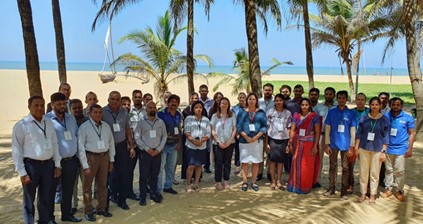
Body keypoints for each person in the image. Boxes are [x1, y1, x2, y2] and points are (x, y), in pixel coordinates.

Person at [12, 96, 61, 224]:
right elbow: (16, 150)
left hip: (48, 166)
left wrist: (57, 165)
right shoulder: (21, 125)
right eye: (36, 105)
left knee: (45, 198)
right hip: (31, 166)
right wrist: (22, 173)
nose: (40, 108)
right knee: (29, 200)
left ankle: (44, 221)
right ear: (29, 107)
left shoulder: (48, 123)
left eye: (42, 105)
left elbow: (55, 144)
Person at [45, 93, 82, 222]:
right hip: (54, 163)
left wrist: (79, 158)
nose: (62, 106)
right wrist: (56, 164)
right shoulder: (46, 120)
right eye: (59, 104)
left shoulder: (71, 119)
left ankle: (66, 215)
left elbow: (76, 138)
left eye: (64, 103)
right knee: (51, 191)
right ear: (52, 105)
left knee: (68, 191)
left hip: (71, 161)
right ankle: (50, 218)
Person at [78, 104, 115, 222]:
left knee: (102, 185)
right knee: (87, 186)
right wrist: (85, 165)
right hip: (91, 157)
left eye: (100, 112)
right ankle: (88, 211)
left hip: (104, 157)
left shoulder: (106, 126)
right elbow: (80, 148)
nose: (98, 114)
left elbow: (111, 144)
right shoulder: (84, 127)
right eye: (95, 112)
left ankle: (101, 208)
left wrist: (111, 160)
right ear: (90, 113)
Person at [102, 91, 136, 210]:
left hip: (121, 146)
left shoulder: (124, 113)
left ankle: (122, 200)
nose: (115, 102)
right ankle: (105, 202)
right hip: (107, 148)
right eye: (113, 99)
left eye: (118, 99)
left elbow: (127, 130)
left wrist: (131, 146)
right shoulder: (102, 112)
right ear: (108, 99)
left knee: (123, 174)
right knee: (106, 175)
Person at [355, 97, 390, 204]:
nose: (374, 107)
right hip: (364, 148)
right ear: (369, 105)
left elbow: (386, 137)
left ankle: (373, 194)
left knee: (375, 173)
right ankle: (363, 193)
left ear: (380, 106)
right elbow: (359, 133)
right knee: (363, 172)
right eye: (372, 104)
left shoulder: (384, 120)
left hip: (378, 149)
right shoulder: (364, 118)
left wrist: (383, 152)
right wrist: (356, 147)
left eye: (376, 104)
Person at [381, 97, 415, 202]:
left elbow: (412, 133)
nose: (395, 106)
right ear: (390, 105)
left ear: (401, 106)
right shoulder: (385, 117)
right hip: (388, 148)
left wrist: (410, 148)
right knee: (388, 170)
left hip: (401, 149)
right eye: (393, 104)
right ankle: (388, 189)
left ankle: (400, 190)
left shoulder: (407, 118)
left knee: (400, 171)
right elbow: (382, 133)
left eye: (398, 104)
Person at [323, 90, 356, 199]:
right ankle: (331, 188)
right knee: (332, 166)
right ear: (337, 99)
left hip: (346, 145)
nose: (341, 100)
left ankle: (344, 190)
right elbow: (327, 128)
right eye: (339, 98)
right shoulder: (332, 112)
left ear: (346, 99)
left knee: (345, 167)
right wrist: (327, 144)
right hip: (333, 144)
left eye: (343, 98)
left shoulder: (351, 113)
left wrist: (352, 146)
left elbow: (352, 130)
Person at [135, 101, 167, 205]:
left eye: (154, 107)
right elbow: (137, 137)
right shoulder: (141, 122)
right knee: (143, 176)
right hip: (145, 153)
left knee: (154, 175)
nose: (152, 109)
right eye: (150, 108)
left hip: (157, 152)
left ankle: (153, 194)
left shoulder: (161, 122)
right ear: (146, 109)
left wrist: (159, 149)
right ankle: (143, 196)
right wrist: (147, 149)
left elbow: (164, 136)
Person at [287, 98, 322, 194]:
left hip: (309, 144)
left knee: (307, 165)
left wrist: (315, 146)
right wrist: (290, 143)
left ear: (310, 105)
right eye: (302, 105)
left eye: (306, 105)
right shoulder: (296, 115)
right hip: (297, 143)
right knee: (295, 163)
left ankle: (305, 186)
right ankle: (294, 185)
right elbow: (293, 130)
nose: (304, 107)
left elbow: (317, 133)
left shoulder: (315, 117)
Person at [237, 93, 267, 192]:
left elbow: (264, 127)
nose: (251, 101)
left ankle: (254, 182)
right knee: (244, 162)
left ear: (256, 101)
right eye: (249, 99)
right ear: (247, 100)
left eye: (253, 99)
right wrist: (246, 137)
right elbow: (239, 126)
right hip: (244, 141)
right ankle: (245, 182)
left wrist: (255, 137)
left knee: (255, 162)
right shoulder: (241, 112)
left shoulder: (261, 112)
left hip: (257, 141)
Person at [157, 94, 183, 195]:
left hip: (174, 145)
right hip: (163, 145)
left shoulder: (178, 115)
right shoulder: (161, 114)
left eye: (176, 102)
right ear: (168, 102)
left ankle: (168, 186)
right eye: (172, 101)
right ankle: (158, 189)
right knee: (160, 168)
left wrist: (179, 142)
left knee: (171, 167)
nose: (174, 103)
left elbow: (179, 129)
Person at [184, 101, 211, 192]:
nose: (198, 109)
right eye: (196, 107)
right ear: (193, 109)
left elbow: (208, 133)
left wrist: (202, 141)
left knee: (199, 165)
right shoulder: (189, 118)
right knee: (191, 166)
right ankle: (188, 184)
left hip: (202, 146)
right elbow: (186, 132)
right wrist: (194, 141)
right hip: (191, 146)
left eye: (200, 107)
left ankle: (196, 183)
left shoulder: (206, 120)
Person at [266, 94, 291, 191]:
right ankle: (273, 181)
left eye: (280, 100)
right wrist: (266, 143)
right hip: (272, 138)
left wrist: (288, 143)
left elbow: (289, 128)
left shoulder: (288, 113)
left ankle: (279, 181)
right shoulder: (270, 112)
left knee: (280, 161)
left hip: (283, 139)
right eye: (276, 100)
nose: (278, 102)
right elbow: (267, 128)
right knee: (272, 161)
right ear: (274, 102)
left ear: (283, 101)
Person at [211, 97, 237, 190]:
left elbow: (234, 129)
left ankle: (226, 180)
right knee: (218, 163)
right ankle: (218, 182)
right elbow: (213, 130)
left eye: (226, 103)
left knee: (227, 163)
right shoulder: (215, 116)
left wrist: (230, 141)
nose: (224, 105)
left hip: (230, 143)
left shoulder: (232, 115)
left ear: (228, 105)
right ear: (219, 104)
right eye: (222, 103)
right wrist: (218, 142)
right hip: (217, 143)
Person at [313, 87, 337, 187]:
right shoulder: (318, 107)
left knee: (334, 160)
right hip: (321, 135)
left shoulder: (338, 106)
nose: (328, 96)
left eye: (330, 94)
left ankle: (333, 182)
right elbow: (313, 121)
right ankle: (316, 180)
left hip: (334, 136)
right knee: (319, 158)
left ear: (334, 95)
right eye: (326, 94)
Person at [181, 92, 207, 180]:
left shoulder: (204, 114)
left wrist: (201, 141)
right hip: (189, 140)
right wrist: (192, 140)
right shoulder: (185, 111)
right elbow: (185, 128)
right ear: (189, 99)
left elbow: (207, 129)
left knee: (199, 163)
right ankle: (188, 179)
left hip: (201, 142)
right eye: (192, 98)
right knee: (190, 162)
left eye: (196, 98)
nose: (194, 100)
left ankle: (197, 179)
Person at [69, 99, 88, 216]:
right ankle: (73, 205)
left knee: (86, 183)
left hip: (85, 157)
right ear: (70, 110)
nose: (77, 110)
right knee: (72, 184)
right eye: (74, 108)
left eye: (79, 107)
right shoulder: (68, 122)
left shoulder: (88, 121)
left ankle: (87, 205)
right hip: (72, 158)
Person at [349, 93, 369, 194]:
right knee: (350, 165)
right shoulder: (350, 112)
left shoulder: (370, 112)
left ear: (365, 101)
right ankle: (350, 184)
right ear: (355, 100)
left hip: (365, 142)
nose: (360, 102)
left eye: (362, 100)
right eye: (358, 99)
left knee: (365, 166)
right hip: (352, 141)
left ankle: (366, 187)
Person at [127, 90, 144, 201]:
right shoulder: (128, 111)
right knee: (130, 170)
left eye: (139, 97)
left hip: (143, 146)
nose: (137, 99)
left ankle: (143, 191)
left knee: (144, 170)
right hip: (132, 145)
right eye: (135, 97)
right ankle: (129, 191)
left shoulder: (146, 111)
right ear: (132, 98)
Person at [258, 83, 274, 181]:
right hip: (260, 130)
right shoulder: (259, 101)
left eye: (269, 90)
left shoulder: (275, 101)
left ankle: (269, 171)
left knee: (270, 152)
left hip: (272, 130)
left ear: (272, 91)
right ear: (263, 91)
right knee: (260, 152)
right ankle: (259, 172)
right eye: (266, 90)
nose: (267, 92)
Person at [205, 92, 224, 173]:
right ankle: (214, 166)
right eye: (217, 97)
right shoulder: (212, 110)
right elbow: (210, 122)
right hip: (214, 133)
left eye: (220, 97)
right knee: (214, 151)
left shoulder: (226, 108)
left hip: (223, 133)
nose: (218, 99)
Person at [231, 92, 246, 175]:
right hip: (237, 132)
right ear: (238, 98)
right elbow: (233, 121)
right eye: (240, 97)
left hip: (246, 132)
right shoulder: (234, 109)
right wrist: (236, 133)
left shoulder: (248, 108)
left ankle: (245, 166)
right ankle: (237, 167)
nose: (242, 99)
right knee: (237, 150)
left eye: (243, 97)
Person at [378, 92, 390, 187]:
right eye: (381, 98)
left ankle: (381, 179)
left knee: (383, 160)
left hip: (385, 137)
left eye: (385, 98)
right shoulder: (374, 109)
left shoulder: (390, 111)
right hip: (375, 138)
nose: (383, 99)